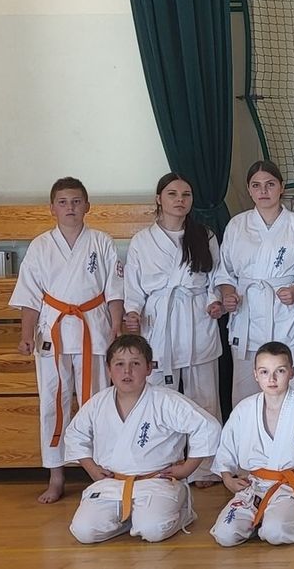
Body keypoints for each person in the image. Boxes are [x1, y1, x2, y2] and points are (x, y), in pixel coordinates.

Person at [10, 176, 124, 503]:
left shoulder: (101, 241)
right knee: (52, 404)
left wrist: (116, 328)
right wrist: (26, 334)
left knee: (97, 402)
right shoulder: (40, 246)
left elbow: (115, 291)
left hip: (94, 329)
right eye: (63, 202)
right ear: (52, 208)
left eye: (76, 201)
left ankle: (98, 471)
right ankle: (56, 474)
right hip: (53, 333)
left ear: (87, 206)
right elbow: (30, 296)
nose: (70, 207)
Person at [65, 335, 220, 543]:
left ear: (149, 368)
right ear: (109, 369)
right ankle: (130, 520)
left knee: (153, 530)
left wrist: (187, 468)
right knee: (84, 531)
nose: (127, 371)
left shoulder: (165, 400)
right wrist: (91, 468)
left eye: (135, 364)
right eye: (119, 364)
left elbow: (207, 427)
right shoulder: (98, 403)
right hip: (112, 483)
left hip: (157, 482)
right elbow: (75, 434)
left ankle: (182, 512)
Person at [212, 161, 294, 404]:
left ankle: (292, 428)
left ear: (281, 187)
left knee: (289, 386)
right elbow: (224, 271)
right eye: (256, 185)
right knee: (246, 390)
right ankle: (248, 429)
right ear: (249, 190)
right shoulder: (237, 225)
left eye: (270, 184)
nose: (263, 191)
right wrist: (229, 294)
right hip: (248, 312)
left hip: (284, 313)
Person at [123, 174, 224, 435]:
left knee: (204, 395)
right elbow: (133, 286)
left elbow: (216, 278)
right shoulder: (142, 241)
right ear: (159, 198)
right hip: (159, 321)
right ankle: (161, 454)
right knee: (158, 394)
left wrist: (215, 301)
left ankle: (206, 456)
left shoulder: (205, 235)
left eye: (186, 195)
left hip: (196, 316)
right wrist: (132, 312)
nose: (180, 200)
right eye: (172, 194)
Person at [211, 342, 294, 546]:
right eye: (264, 372)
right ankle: (262, 518)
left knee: (275, 532)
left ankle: (284, 518)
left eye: (280, 371)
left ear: (292, 372)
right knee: (225, 535)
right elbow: (226, 448)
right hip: (254, 487)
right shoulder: (245, 409)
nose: (272, 379)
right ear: (255, 374)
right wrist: (227, 478)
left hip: (291, 487)